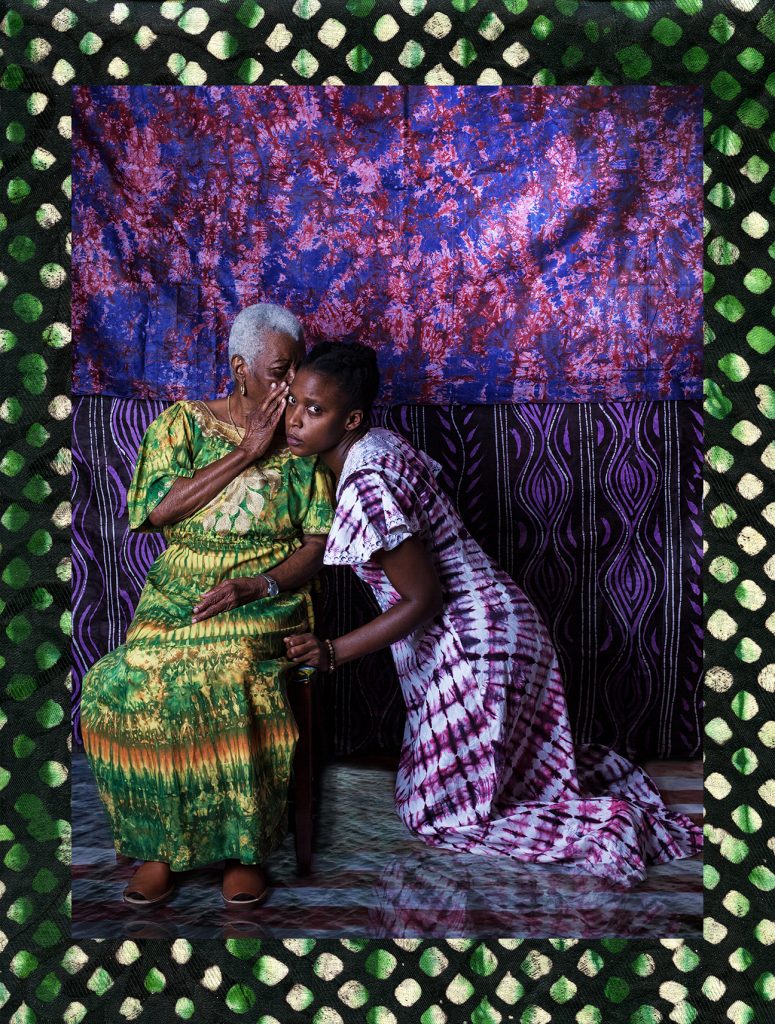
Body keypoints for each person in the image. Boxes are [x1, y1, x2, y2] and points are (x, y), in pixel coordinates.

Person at [283, 341, 702, 888]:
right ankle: (572, 807)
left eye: (315, 410)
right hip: (504, 624)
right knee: (495, 789)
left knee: (438, 818)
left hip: (475, 648)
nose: (294, 420)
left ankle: (608, 825)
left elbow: (423, 600)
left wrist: (332, 651)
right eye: (293, 401)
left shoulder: (367, 483)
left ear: (351, 418)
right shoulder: (378, 445)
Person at [80, 303, 334, 906]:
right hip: (178, 596)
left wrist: (261, 584)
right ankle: (160, 845)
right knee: (115, 681)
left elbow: (322, 542)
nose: (290, 387)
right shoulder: (182, 425)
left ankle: (243, 849)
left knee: (226, 674)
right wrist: (246, 451)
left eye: (297, 372)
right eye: (279, 371)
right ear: (240, 368)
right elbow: (157, 513)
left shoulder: (301, 440)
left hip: (265, 596)